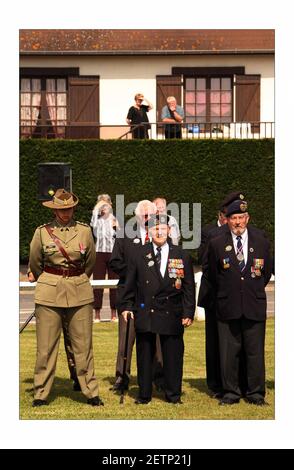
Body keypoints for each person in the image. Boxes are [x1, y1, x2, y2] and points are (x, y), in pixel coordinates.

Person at [28, 188, 103, 407]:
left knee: (83, 345)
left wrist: (76, 279)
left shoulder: (84, 231)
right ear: (54, 210)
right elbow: (35, 261)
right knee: (46, 347)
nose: (65, 213)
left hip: (79, 291)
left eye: (69, 209)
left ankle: (90, 391)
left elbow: (90, 262)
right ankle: (41, 393)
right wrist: (50, 279)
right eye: (61, 210)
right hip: (49, 292)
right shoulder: (42, 232)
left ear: (73, 208)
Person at [120, 214, 195, 404]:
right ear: (150, 231)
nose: (159, 231)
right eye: (155, 228)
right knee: (144, 354)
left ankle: (173, 395)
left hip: (172, 311)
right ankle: (144, 394)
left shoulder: (181, 254)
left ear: (169, 231)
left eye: (163, 228)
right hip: (146, 309)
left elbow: (188, 287)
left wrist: (188, 312)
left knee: (173, 356)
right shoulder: (139, 254)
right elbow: (130, 283)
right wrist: (127, 305)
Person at [207, 200, 272, 406]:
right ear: (227, 220)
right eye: (233, 218)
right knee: (228, 353)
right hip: (228, 305)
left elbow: (266, 271)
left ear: (247, 218)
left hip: (253, 304)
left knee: (254, 352)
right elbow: (213, 274)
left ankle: (255, 393)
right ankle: (231, 393)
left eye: (241, 218)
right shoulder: (217, 242)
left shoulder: (261, 240)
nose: (237, 222)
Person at [109, 200, 164, 392]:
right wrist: (134, 273)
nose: (148, 218)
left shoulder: (161, 234)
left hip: (155, 297)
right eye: (144, 215)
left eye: (151, 215)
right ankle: (122, 377)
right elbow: (114, 262)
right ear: (137, 215)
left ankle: (159, 377)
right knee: (127, 338)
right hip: (130, 296)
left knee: (157, 338)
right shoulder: (125, 234)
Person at [198, 191, 245, 398]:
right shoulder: (210, 233)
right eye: (229, 214)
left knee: (240, 341)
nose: (233, 219)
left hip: (237, 296)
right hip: (216, 296)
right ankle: (217, 383)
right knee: (216, 343)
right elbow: (206, 265)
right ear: (222, 214)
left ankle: (240, 381)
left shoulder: (244, 234)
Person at [90, 194, 119, 322]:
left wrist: (117, 226)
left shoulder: (115, 219)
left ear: (110, 206)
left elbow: (119, 235)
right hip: (99, 253)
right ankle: (97, 313)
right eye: (102, 205)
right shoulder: (97, 220)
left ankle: (114, 313)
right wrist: (98, 210)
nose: (104, 208)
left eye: (106, 205)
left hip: (113, 252)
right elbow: (93, 226)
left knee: (114, 283)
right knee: (98, 283)